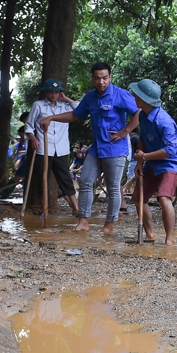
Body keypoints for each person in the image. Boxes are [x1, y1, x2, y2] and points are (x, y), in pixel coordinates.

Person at [39, 63, 138, 234]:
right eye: (97, 78)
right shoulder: (90, 97)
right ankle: (83, 221)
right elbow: (75, 115)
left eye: (105, 78)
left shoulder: (120, 95)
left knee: (113, 188)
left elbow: (139, 113)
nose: (101, 82)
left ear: (110, 78)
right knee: (85, 180)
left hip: (115, 149)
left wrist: (125, 131)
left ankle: (109, 225)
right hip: (97, 148)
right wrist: (52, 118)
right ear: (93, 78)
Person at [129, 79, 177, 246]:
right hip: (151, 161)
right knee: (138, 198)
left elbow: (170, 151)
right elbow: (142, 139)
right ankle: (150, 234)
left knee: (163, 197)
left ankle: (169, 239)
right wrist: (139, 162)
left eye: (137, 95)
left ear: (144, 99)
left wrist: (144, 157)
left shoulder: (165, 122)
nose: (134, 97)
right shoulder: (142, 115)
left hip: (170, 163)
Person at [25, 78, 80, 216]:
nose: (54, 95)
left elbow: (79, 109)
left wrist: (66, 98)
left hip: (61, 149)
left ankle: (75, 208)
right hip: (44, 148)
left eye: (57, 93)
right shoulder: (38, 105)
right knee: (43, 179)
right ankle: (45, 209)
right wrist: (33, 138)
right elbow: (29, 126)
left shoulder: (64, 106)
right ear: (46, 92)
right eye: (51, 92)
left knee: (65, 179)